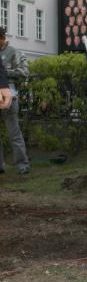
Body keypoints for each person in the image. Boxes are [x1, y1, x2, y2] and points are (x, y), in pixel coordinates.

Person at [0, 28, 30, 174]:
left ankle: (22, 165)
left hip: (9, 97)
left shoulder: (13, 52)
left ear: (2, 38)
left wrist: (4, 73)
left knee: (14, 133)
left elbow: (24, 72)